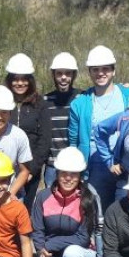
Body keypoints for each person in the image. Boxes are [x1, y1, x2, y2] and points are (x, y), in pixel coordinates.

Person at [30, 147, 103, 257]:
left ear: (80, 175)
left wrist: (50, 245)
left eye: (74, 173)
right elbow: (38, 233)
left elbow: (83, 238)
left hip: (83, 254)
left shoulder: (88, 198)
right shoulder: (43, 197)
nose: (68, 178)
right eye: (64, 173)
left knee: (72, 252)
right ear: (57, 173)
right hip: (51, 255)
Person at [69, 45, 129, 207]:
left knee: (126, 212)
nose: (101, 73)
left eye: (106, 69)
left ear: (113, 71)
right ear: (89, 72)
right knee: (98, 213)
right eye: (95, 69)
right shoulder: (80, 104)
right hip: (96, 167)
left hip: (127, 164)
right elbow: (74, 141)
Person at [4, 53, 52, 209]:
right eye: (15, 79)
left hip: (31, 169)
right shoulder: (2, 101)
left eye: (24, 79)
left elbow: (44, 140)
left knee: (26, 210)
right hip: (4, 168)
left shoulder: (39, 104)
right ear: (10, 80)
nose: (20, 83)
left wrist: (32, 169)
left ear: (30, 80)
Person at [42, 52, 80, 187]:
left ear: (73, 75)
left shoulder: (82, 99)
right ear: (54, 75)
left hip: (76, 165)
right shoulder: (45, 101)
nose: (63, 78)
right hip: (52, 166)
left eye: (68, 73)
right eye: (59, 73)